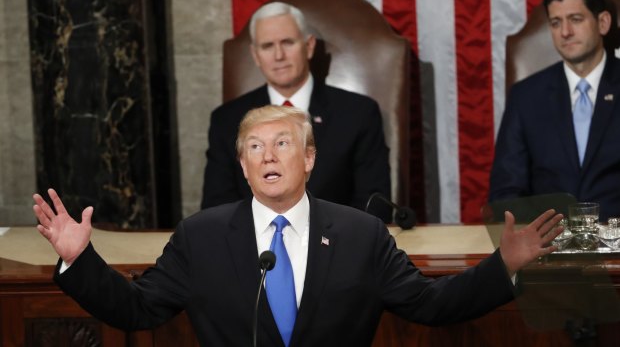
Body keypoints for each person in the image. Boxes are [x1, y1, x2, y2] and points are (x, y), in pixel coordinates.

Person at [33, 105, 564, 347]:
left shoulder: (360, 234)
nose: (269, 155)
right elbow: (138, 310)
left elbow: (431, 306)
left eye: (283, 143)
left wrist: (504, 268)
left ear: (309, 159)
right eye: (255, 148)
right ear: (242, 166)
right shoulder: (202, 235)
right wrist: (80, 261)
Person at [201, 1, 392, 222]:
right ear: (255, 55)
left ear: (309, 46)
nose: (279, 55)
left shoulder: (358, 113)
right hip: (254, 250)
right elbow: (217, 208)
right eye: (267, 46)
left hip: (336, 246)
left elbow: (374, 204)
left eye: (287, 42)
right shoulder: (227, 120)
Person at [489, 0, 620, 221]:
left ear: (603, 23)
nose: (565, 32)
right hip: (549, 246)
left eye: (575, 20)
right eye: (556, 23)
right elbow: (505, 193)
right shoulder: (525, 96)